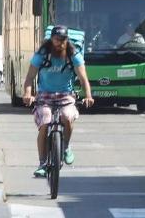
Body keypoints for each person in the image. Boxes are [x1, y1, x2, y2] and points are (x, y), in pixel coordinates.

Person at [22, 26, 95, 177]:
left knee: (67, 116)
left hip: (65, 95)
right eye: (56, 40)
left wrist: (88, 96)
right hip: (45, 95)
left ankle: (66, 147)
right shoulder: (42, 54)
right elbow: (29, 78)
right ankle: (42, 163)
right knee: (45, 121)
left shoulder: (73, 54)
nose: (59, 44)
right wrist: (28, 94)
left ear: (67, 40)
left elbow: (83, 79)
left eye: (62, 40)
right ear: (51, 39)